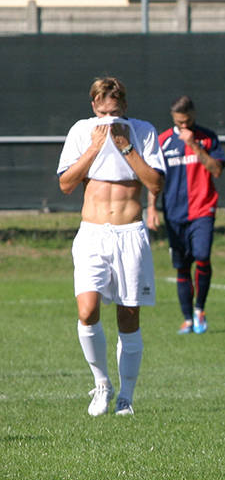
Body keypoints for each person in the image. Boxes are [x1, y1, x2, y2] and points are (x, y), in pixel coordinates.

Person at [57, 76, 165, 416]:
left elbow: (155, 184)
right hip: (92, 234)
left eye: (115, 113)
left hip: (130, 233)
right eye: (103, 113)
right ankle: (101, 383)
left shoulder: (143, 131)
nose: (109, 121)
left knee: (128, 317)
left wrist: (125, 146)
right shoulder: (81, 131)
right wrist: (94, 147)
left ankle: (126, 397)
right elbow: (65, 184)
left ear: (125, 108)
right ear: (93, 107)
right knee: (87, 311)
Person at [147, 96, 225, 335]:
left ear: (194, 114)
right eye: (180, 122)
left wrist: (195, 146)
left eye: (188, 120)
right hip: (174, 213)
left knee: (202, 256)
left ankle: (199, 309)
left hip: (203, 210)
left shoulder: (207, 137)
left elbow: (217, 170)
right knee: (182, 267)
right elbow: (154, 179)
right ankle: (187, 319)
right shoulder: (162, 141)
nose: (184, 126)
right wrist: (151, 208)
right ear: (173, 118)